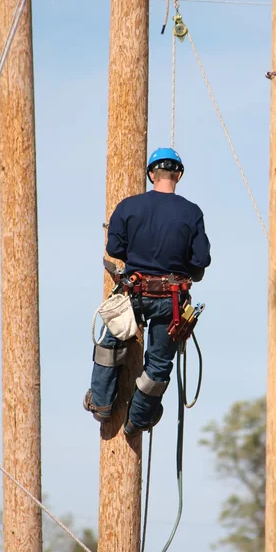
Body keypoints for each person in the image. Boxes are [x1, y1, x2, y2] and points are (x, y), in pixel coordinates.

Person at [84, 147, 211, 437]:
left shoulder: (128, 207)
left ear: (151, 174)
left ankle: (102, 403)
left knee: (109, 344)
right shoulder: (192, 213)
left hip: (134, 294)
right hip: (173, 301)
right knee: (159, 364)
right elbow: (201, 262)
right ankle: (137, 420)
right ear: (178, 175)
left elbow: (114, 249)